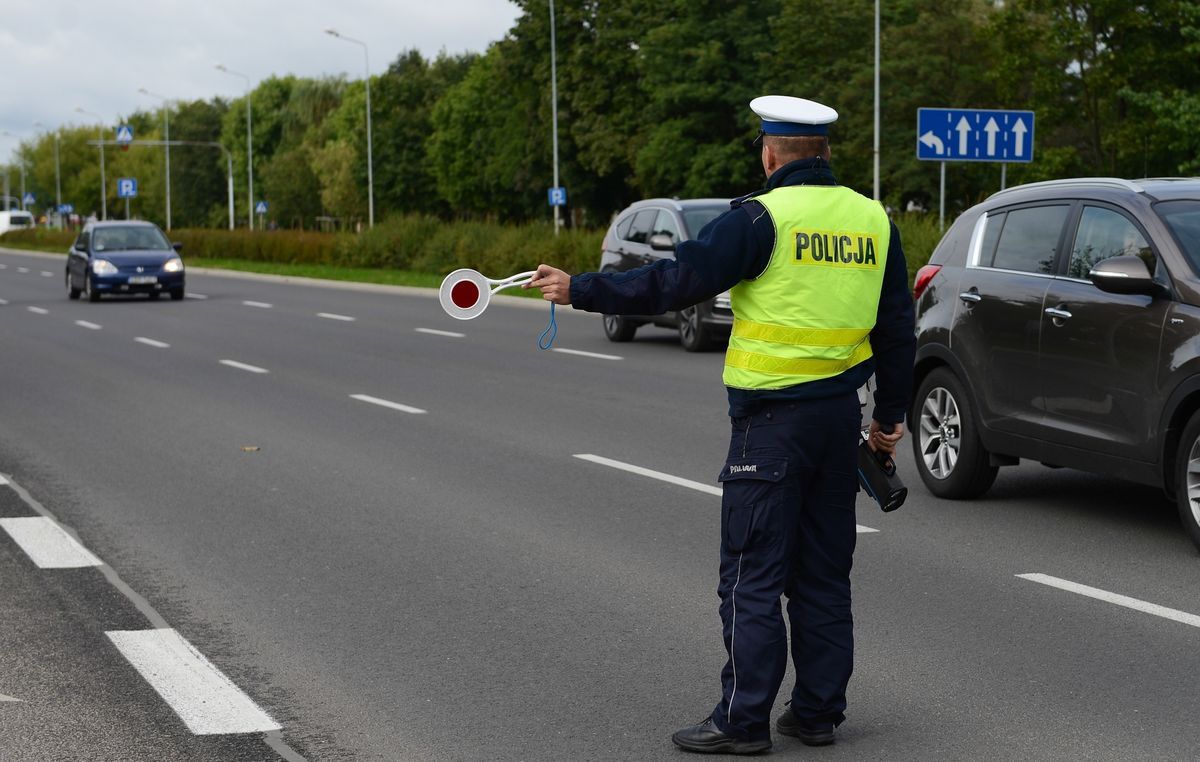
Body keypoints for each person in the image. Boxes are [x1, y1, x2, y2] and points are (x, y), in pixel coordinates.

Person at [526, 95, 916, 754]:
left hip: (771, 425)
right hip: (836, 424)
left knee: (751, 577)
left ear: (769, 154)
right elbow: (898, 329)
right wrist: (887, 422)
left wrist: (582, 289)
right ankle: (818, 712)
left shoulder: (759, 218)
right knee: (823, 576)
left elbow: (676, 282)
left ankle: (743, 722)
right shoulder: (873, 220)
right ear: (824, 153)